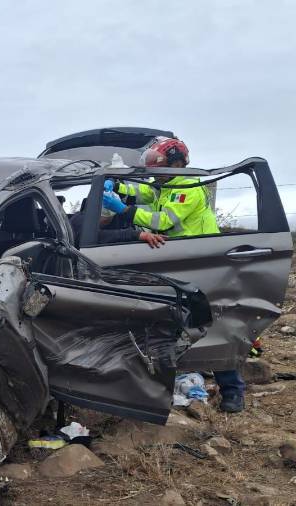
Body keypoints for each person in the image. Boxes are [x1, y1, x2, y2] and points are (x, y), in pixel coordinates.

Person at [102, 137, 243, 413]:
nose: (156, 173)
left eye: (162, 166)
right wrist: (117, 184)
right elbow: (144, 193)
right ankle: (172, 379)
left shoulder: (188, 187)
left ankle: (233, 391)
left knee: (211, 324)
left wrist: (124, 210)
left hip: (201, 261)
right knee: (174, 324)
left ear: (177, 163)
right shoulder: (167, 186)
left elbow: (163, 221)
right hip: (177, 260)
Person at [70, 197, 167, 248]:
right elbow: (99, 236)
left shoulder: (116, 219)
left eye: (110, 218)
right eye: (106, 218)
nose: (107, 221)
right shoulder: (79, 220)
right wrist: (138, 235)